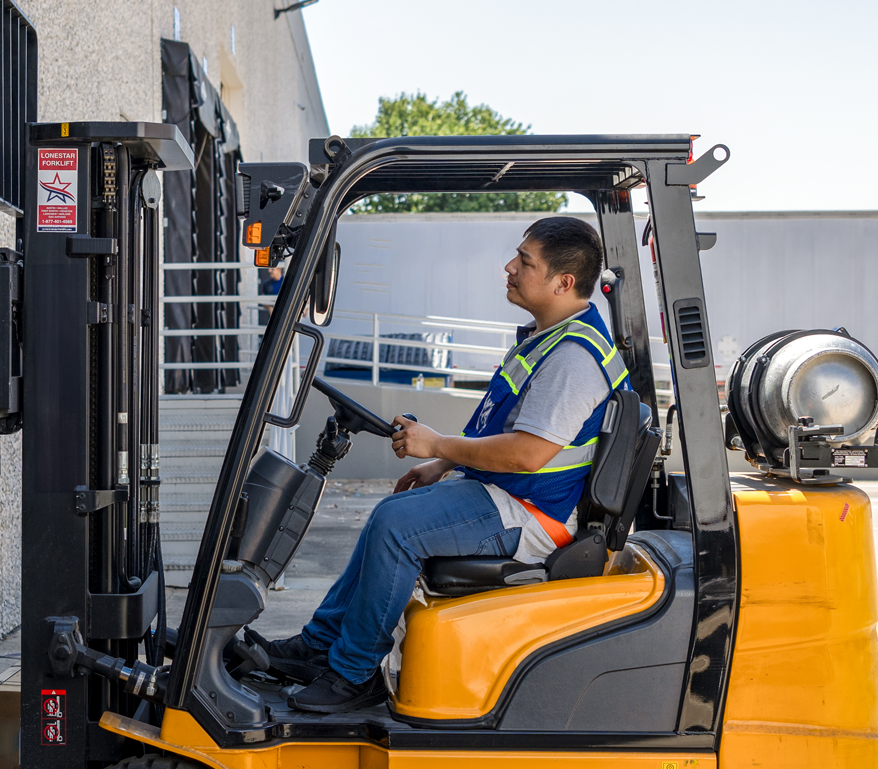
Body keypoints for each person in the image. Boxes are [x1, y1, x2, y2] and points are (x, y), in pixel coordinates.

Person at [259, 215, 628, 713]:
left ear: (563, 282)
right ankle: (321, 645)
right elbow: (507, 431)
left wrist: (437, 447)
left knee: (397, 526)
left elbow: (526, 453)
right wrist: (439, 465)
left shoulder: (573, 358)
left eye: (525, 262)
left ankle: (354, 673)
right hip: (513, 495)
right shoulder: (549, 338)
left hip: (535, 515)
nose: (509, 267)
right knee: (391, 514)